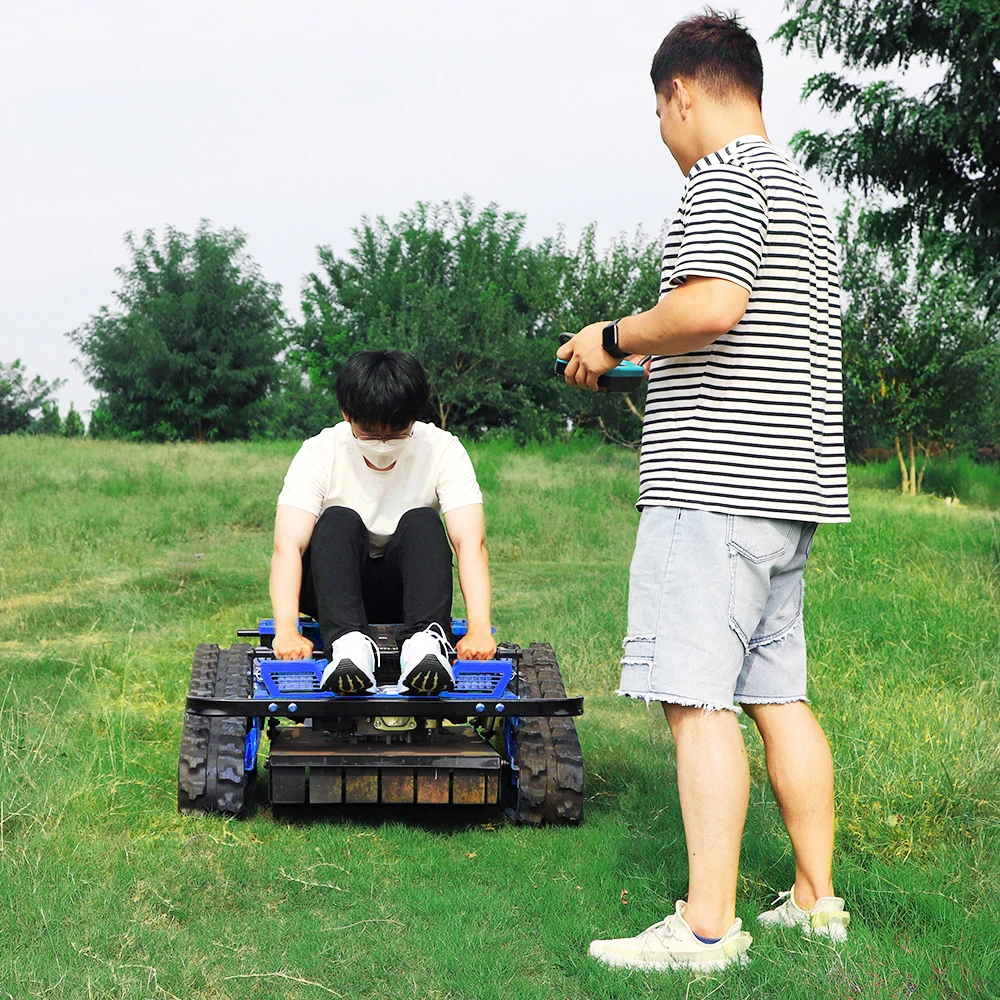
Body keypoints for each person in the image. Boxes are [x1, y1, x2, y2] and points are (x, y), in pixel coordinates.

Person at [558, 10, 852, 973]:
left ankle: (707, 931)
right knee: (778, 696)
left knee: (697, 701)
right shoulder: (805, 194)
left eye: (658, 113)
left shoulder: (721, 178)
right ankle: (816, 901)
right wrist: (642, 364)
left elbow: (712, 305)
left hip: (716, 488)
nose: (664, 137)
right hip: (790, 490)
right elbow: (751, 338)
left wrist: (612, 336)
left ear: (683, 91)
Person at [269, 349, 495, 695]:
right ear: (347, 415)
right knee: (337, 518)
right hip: (335, 587)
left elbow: (470, 543)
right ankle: (348, 648)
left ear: (414, 418)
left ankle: (424, 645)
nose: (384, 444)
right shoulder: (320, 451)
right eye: (371, 434)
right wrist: (286, 629)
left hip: (409, 592)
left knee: (423, 520)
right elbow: (287, 547)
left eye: (397, 433)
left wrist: (480, 628)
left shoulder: (442, 449)